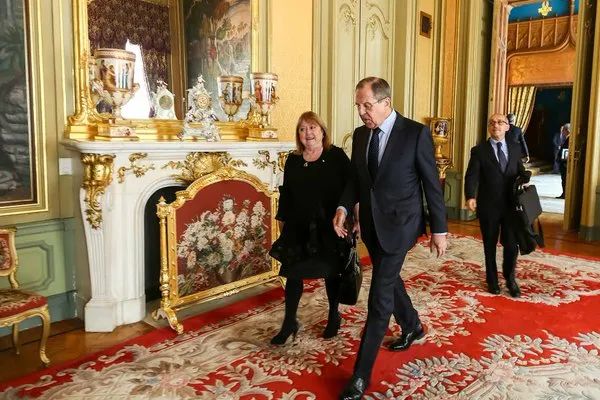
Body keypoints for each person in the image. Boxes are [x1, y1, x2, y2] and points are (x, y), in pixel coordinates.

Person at [333, 77, 448, 399]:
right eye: (358, 105)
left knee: (379, 296)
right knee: (389, 277)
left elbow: (430, 184)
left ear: (386, 102)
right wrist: (344, 207)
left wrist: (439, 229)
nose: (361, 112)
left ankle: (360, 375)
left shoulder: (415, 134)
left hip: (402, 225)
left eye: (367, 105)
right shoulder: (359, 136)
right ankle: (412, 325)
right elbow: (357, 180)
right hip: (371, 225)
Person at [269, 111, 351, 345]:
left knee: (331, 272)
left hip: (329, 226)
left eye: (312, 127)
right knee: (293, 273)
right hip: (298, 226)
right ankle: (289, 322)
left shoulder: (336, 156)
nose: (308, 133)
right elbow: (287, 194)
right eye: (303, 129)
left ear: (322, 130)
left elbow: (350, 189)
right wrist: (282, 222)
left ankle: (334, 315)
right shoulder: (293, 159)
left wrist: (351, 218)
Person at [465, 113, 529, 299]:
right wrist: (470, 195)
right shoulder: (479, 150)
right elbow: (472, 175)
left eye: (500, 122)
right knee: (489, 244)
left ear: (508, 127)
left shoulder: (516, 148)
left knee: (511, 245)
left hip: (511, 205)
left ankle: (510, 279)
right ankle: (492, 280)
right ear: (489, 127)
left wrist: (525, 180)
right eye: (492, 122)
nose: (496, 126)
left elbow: (520, 171)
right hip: (488, 205)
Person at [555, 123, 570, 199]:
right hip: (563, 162)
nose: (562, 132)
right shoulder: (568, 138)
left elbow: (566, 151)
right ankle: (564, 193)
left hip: (565, 163)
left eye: (563, 130)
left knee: (564, 180)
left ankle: (565, 194)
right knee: (563, 179)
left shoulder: (570, 139)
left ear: (567, 130)